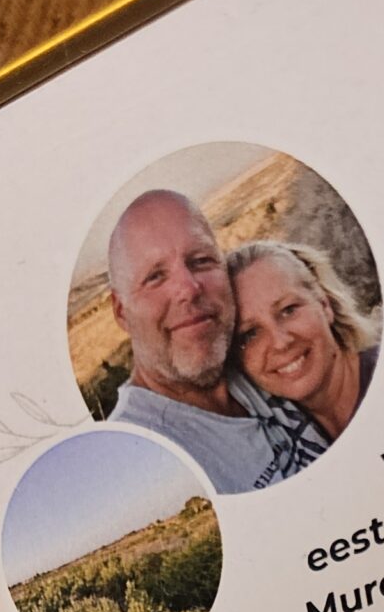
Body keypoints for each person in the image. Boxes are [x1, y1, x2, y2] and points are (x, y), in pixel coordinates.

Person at [104, 190, 317, 491]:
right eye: (155, 277)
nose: (188, 288)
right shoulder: (137, 460)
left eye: (201, 261)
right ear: (121, 312)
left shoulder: (262, 353)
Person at [227, 240, 379, 445]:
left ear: (324, 304)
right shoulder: (282, 446)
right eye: (251, 333)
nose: (280, 343)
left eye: (288, 310)